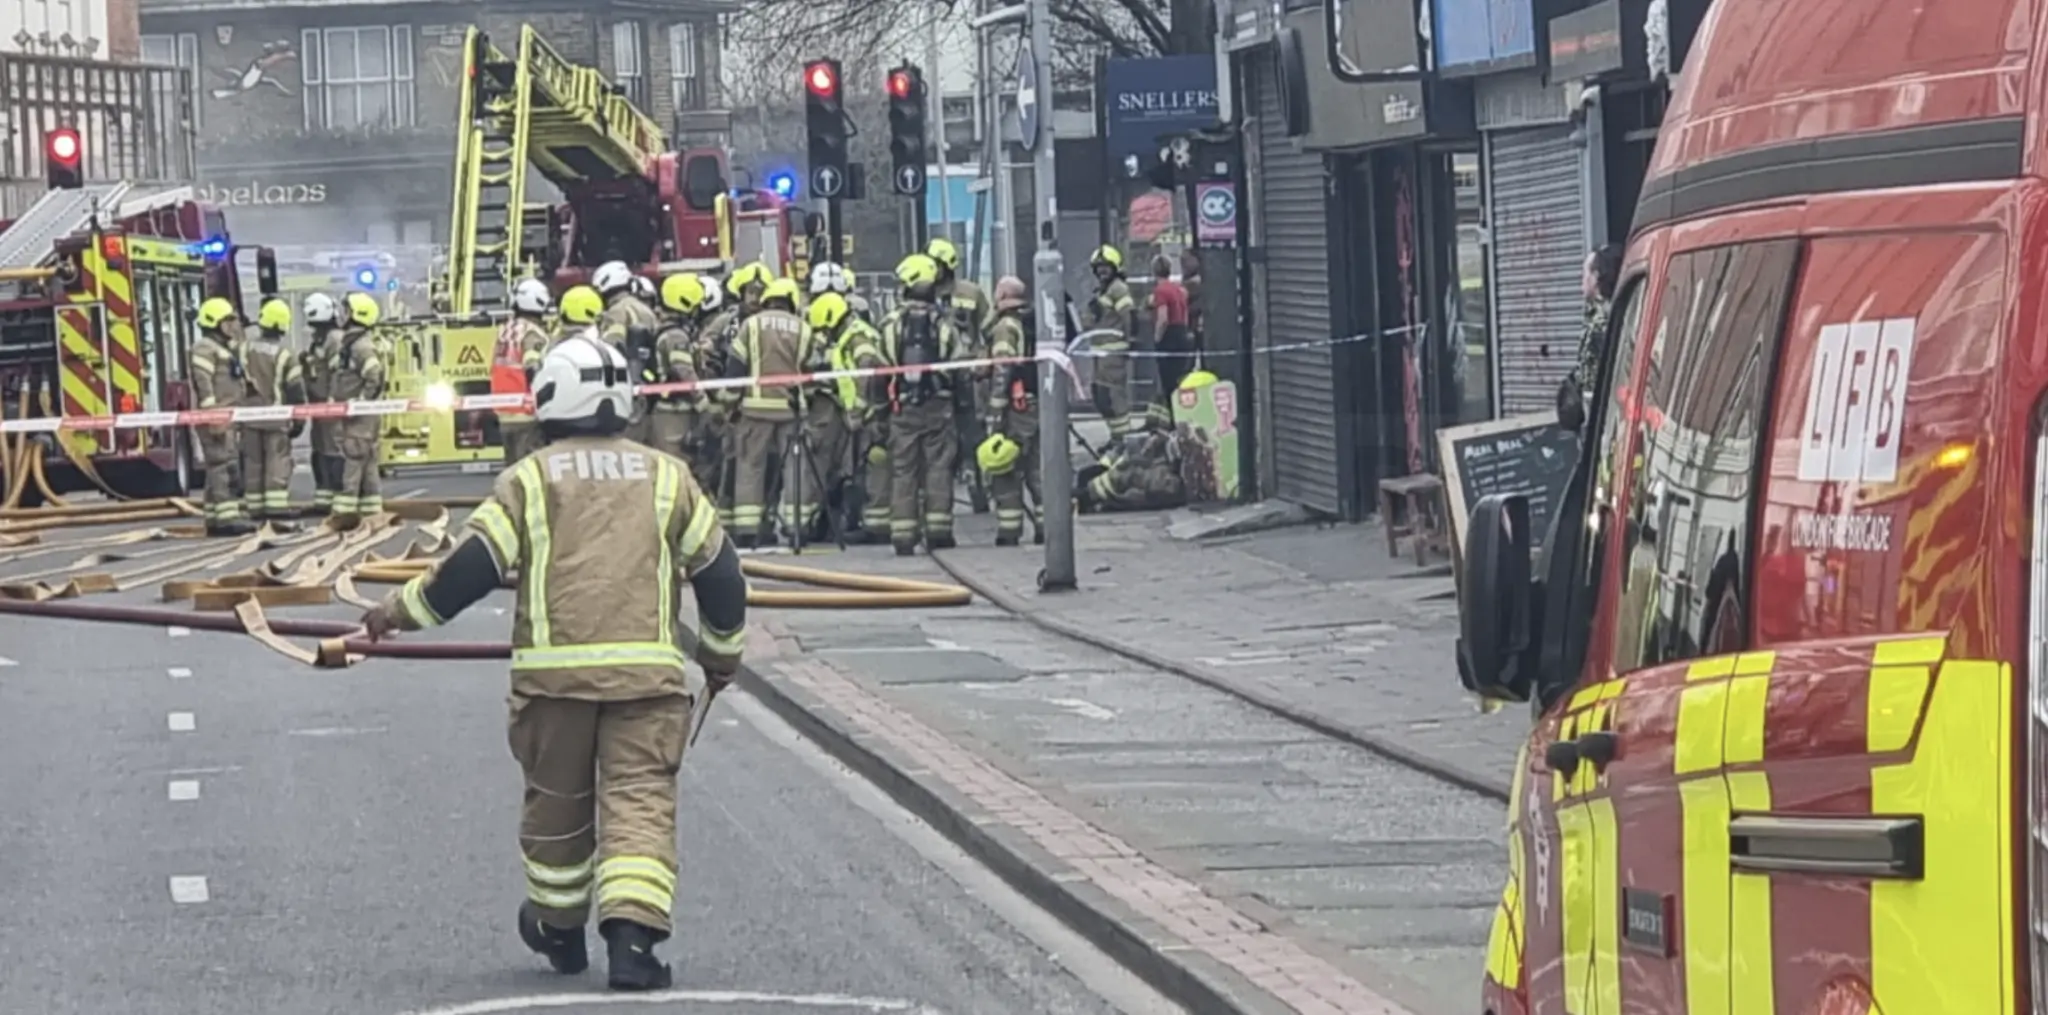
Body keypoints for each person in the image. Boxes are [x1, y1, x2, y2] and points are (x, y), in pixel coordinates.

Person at [359, 335, 749, 993]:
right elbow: (721, 573)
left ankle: (559, 929)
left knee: (558, 809)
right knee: (640, 804)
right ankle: (633, 945)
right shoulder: (666, 476)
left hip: (554, 685)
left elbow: (471, 570)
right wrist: (721, 656)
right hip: (646, 684)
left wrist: (396, 613)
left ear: (549, 399)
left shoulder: (530, 479)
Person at [875, 254, 965, 555]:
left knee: (903, 470)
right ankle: (939, 531)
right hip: (939, 407)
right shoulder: (945, 325)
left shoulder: (889, 325)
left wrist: (880, 411)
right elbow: (960, 368)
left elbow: (879, 371)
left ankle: (903, 535)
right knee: (938, 466)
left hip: (902, 408)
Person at [722, 276, 810, 548]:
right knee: (794, 468)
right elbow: (813, 369)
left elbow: (736, 367)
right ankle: (796, 526)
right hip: (791, 410)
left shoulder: (751, 325)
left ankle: (748, 528)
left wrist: (729, 403)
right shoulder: (803, 328)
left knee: (750, 465)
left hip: (755, 409)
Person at [800, 291, 878, 541]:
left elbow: (867, 369)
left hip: (868, 415)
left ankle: (863, 522)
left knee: (864, 466)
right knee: (849, 468)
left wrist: (858, 409)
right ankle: (842, 521)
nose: (825, 335)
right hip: (853, 413)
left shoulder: (857, 337)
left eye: (825, 329)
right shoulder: (846, 336)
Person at [981, 275, 1040, 545]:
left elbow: (1002, 369)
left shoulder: (1005, 327)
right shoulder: (1029, 323)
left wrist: (995, 414)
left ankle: (1009, 530)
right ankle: (1046, 528)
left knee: (1005, 467)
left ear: (1003, 297)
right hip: (1033, 404)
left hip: (1015, 408)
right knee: (1036, 468)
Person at [189, 297, 255, 536]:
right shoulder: (205, 348)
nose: (232, 326)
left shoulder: (223, 348)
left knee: (218, 466)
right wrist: (212, 414)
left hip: (226, 415)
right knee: (222, 466)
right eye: (228, 321)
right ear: (214, 323)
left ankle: (214, 518)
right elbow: (203, 382)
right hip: (216, 417)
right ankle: (227, 520)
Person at [238, 297, 307, 521]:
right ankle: (276, 506)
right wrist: (299, 420)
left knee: (253, 463)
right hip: (276, 418)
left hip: (248, 417)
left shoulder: (245, 349)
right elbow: (295, 389)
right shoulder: (286, 354)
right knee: (276, 461)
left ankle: (254, 506)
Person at [329, 292, 388, 526]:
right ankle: (371, 512)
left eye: (347, 311)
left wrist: (361, 402)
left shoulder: (361, 347)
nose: (342, 315)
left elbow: (375, 376)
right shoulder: (351, 344)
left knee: (353, 457)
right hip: (357, 415)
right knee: (367, 460)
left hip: (360, 417)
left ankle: (345, 513)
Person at [643, 274, 708, 467]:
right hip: (675, 412)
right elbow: (683, 370)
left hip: (669, 410)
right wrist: (702, 402)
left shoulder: (667, 330)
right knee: (674, 464)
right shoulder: (676, 335)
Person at [1558, 244, 1622, 434]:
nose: (1582, 279)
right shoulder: (1594, 312)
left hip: (1600, 411)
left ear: (1596, 277)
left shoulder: (1603, 320)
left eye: (1585, 273)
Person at [593, 261, 660, 441]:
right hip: (648, 384)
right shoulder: (646, 310)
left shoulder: (616, 312)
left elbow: (610, 346)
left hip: (624, 385)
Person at [492, 278, 555, 465]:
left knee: (512, 468)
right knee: (530, 468)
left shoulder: (504, 331)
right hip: (527, 414)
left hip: (504, 412)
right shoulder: (532, 333)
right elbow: (532, 369)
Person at [1082, 245, 1137, 439]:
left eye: (1105, 267)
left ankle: (1124, 439)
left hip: (1113, 355)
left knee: (1113, 397)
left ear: (1115, 267)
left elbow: (1129, 316)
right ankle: (1116, 437)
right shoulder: (1102, 292)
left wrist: (1131, 341)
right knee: (1102, 397)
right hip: (1100, 354)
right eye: (1098, 268)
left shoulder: (1118, 288)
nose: (1101, 271)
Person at [300, 292, 346, 514]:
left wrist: (332, 400)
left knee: (333, 450)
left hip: (330, 407)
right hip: (318, 406)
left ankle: (338, 498)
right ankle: (324, 499)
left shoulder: (334, 339)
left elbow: (337, 373)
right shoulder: (320, 339)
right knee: (319, 449)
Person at [1148, 254, 1195, 399]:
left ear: (1154, 271)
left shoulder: (1160, 291)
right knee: (1180, 379)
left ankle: (1171, 409)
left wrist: (1157, 338)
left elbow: (1163, 318)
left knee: (1168, 381)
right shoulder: (1179, 290)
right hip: (1182, 334)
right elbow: (1185, 314)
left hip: (1169, 337)